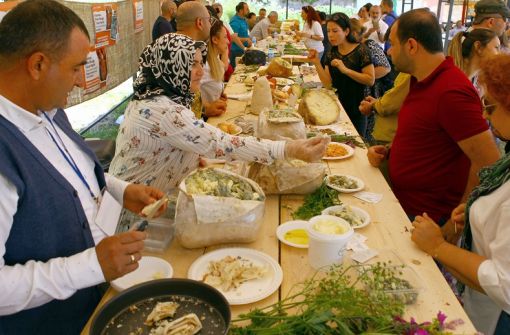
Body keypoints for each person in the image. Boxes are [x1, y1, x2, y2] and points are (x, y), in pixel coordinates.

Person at [0, 1, 167, 332]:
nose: (80, 81)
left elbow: (68, 174)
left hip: (94, 299)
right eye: (76, 68)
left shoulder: (46, 108)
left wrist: (121, 190)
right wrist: (91, 265)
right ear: (37, 65)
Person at [109, 33, 329, 193]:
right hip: (135, 218)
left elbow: (171, 142)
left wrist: (189, 156)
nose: (198, 72)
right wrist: (290, 149)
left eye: (199, 63)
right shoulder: (164, 110)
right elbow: (224, 143)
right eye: (190, 64)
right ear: (170, 67)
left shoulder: (155, 98)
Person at [367, 9, 500, 241]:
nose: (389, 51)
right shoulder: (420, 80)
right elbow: (429, 136)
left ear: (411, 46)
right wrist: (390, 150)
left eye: (392, 44)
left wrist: (453, 227)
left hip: (428, 219)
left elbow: (488, 163)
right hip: (405, 206)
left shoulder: (452, 91)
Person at [411, 54, 510, 335]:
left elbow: (504, 283)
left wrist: (438, 246)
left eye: (489, 106)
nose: (484, 115)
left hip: (498, 318)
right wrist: (476, 212)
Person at [308, 12, 375, 136]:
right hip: (335, 107)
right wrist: (317, 63)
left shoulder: (361, 50)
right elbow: (328, 84)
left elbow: (370, 80)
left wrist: (346, 70)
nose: (330, 35)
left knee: (356, 145)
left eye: (335, 31)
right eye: (328, 31)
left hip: (357, 109)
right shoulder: (331, 52)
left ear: (346, 31)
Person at [350, 18, 391, 141]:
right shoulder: (351, 48)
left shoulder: (370, 44)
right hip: (357, 94)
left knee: (366, 130)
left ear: (354, 33)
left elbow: (386, 67)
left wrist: (364, 77)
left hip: (372, 92)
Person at [359, 72, 411, 144]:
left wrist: (373, 105)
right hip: (393, 137)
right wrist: (376, 102)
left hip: (390, 139)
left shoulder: (409, 75)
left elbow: (388, 105)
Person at [448, 28, 500, 95]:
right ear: (478, 47)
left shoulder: (478, 83)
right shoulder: (454, 83)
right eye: (496, 47)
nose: (500, 53)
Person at [199, 18, 229, 117]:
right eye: (225, 37)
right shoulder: (204, 66)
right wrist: (206, 107)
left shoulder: (215, 59)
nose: (228, 42)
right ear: (215, 40)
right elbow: (191, 95)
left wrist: (217, 95)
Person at [229, 2, 252, 68]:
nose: (248, 10)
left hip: (244, 50)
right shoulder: (234, 22)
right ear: (241, 10)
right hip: (236, 52)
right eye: (247, 9)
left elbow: (246, 34)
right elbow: (233, 38)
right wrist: (246, 39)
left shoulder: (244, 20)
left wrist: (249, 41)